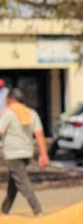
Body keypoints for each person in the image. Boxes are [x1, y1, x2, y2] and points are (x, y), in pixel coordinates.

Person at [0, 88, 49, 216]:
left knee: (22, 182)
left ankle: (37, 210)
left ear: (9, 100)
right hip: (26, 153)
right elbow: (39, 134)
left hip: (12, 154)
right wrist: (43, 154)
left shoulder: (9, 113)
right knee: (14, 182)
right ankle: (4, 210)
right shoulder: (31, 113)